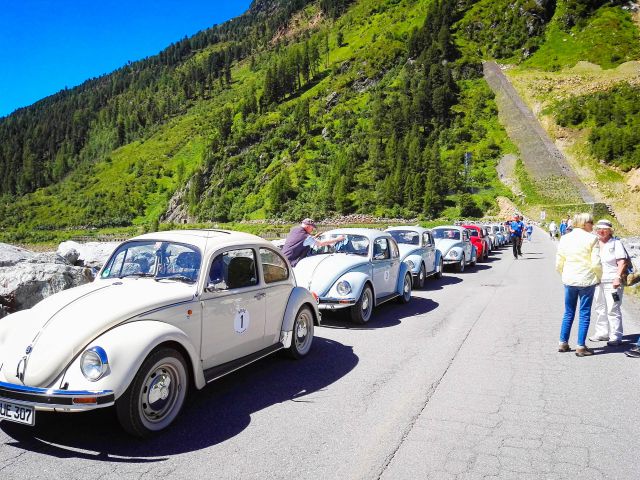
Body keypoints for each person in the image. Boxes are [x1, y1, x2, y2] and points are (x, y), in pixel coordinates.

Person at [556, 213, 601, 357]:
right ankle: (580, 346)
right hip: (587, 280)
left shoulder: (565, 238)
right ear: (584, 223)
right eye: (591, 222)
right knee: (584, 313)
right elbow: (596, 263)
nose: (592, 225)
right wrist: (598, 277)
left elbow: (559, 261)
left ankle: (563, 342)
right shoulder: (593, 239)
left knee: (568, 312)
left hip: (570, 279)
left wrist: (564, 274)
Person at [589, 219, 629, 346]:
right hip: (597, 281)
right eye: (599, 229)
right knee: (599, 307)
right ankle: (602, 333)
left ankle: (616, 336)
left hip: (612, 281)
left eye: (604, 229)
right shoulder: (594, 243)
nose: (601, 231)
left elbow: (622, 262)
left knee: (613, 307)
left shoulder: (616, 243)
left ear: (610, 231)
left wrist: (617, 277)